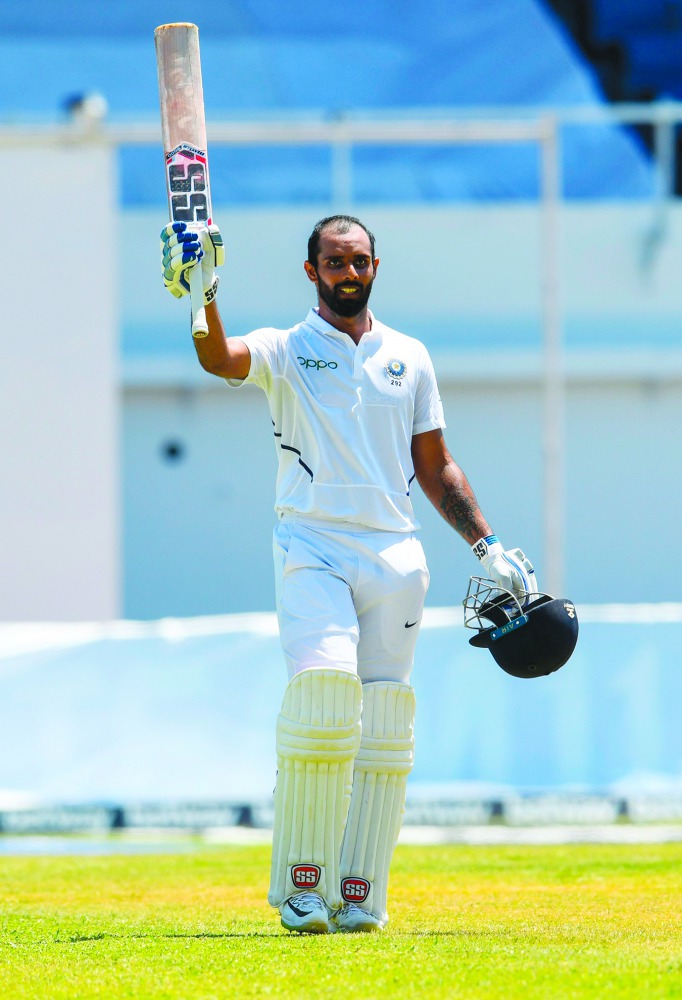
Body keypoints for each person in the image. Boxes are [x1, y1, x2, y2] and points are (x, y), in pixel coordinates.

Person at [160, 214, 537, 934]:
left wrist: (488, 546)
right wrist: (202, 291)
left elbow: (435, 466)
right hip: (312, 545)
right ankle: (303, 886)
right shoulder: (286, 348)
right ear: (311, 271)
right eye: (334, 262)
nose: (348, 272)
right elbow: (218, 356)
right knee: (326, 699)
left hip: (396, 554)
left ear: (375, 265)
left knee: (385, 721)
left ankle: (360, 891)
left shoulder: (409, 356)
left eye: (359, 260)